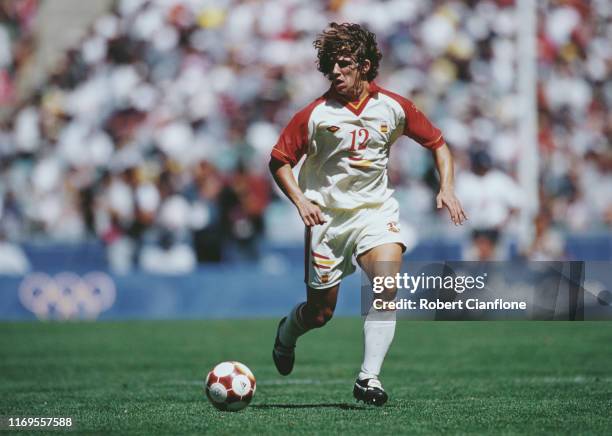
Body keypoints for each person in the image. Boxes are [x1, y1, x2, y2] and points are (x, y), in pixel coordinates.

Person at [269, 23, 467, 406]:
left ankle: (368, 378)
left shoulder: (393, 106)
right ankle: (286, 335)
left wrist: (447, 187)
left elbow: (438, 143)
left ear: (363, 65)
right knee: (320, 313)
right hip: (327, 221)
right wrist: (300, 200)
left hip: (376, 213)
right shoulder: (314, 115)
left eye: (343, 65)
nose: (336, 73)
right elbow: (278, 161)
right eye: (330, 67)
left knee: (385, 286)